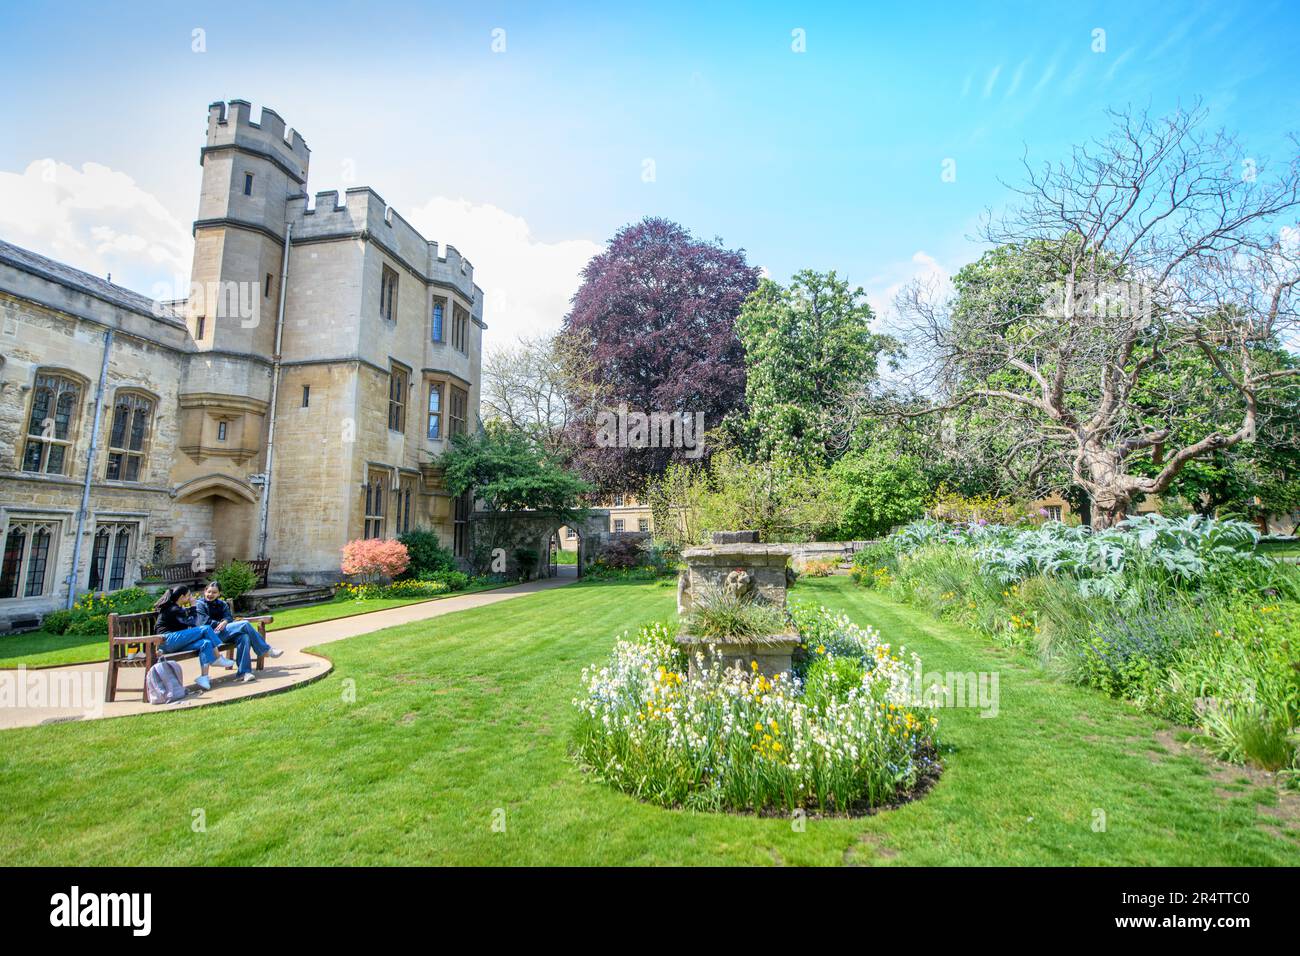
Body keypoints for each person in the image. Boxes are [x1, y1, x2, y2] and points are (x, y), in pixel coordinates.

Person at [193, 581, 283, 683]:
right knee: (244, 624)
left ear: (219, 594)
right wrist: (220, 623)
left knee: (244, 637)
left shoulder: (222, 604)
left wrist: (225, 621)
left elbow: (229, 617)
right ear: (205, 591)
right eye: (209, 592)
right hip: (211, 636)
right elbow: (204, 621)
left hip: (224, 633)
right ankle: (266, 650)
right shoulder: (199, 604)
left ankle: (243, 673)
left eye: (214, 592)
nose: (210, 595)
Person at [153, 585, 236, 691]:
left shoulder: (178, 608)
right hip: (167, 641)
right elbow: (192, 623)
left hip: (176, 642)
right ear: (182, 597)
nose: (191, 598)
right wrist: (193, 605)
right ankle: (218, 657)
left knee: (205, 643)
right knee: (205, 629)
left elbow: (190, 625)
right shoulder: (173, 609)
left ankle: (204, 677)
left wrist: (192, 608)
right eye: (189, 595)